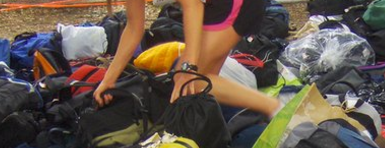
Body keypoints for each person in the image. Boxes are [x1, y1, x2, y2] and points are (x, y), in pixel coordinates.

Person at [93, 0, 281, 116]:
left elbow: (193, 4)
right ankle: (212, 139)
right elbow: (134, 28)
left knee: (193, 81)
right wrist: (108, 80)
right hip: (216, 7)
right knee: (199, 88)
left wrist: (189, 65)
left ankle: (275, 108)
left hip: (233, 5)